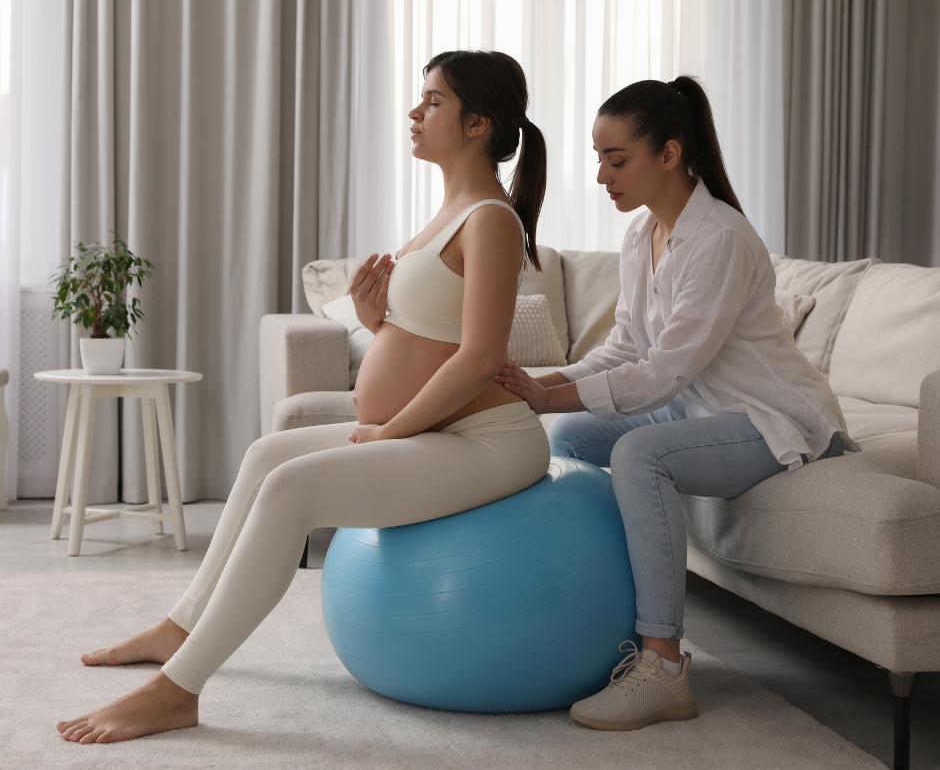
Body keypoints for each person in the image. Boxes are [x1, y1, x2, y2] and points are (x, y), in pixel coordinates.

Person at [57, 50, 550, 744]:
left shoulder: (492, 219)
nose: (415, 112)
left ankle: (179, 689)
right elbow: (430, 336)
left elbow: (481, 356)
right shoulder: (448, 212)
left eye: (433, 101)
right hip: (433, 434)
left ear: (478, 123)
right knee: (265, 456)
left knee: (291, 490)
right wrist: (377, 319)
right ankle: (180, 627)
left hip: (488, 443)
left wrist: (393, 429)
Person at [495, 76, 856, 732]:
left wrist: (550, 391)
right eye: (598, 158)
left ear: (668, 153)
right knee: (573, 434)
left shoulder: (720, 239)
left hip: (771, 418)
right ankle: (601, 616)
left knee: (639, 454)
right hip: (700, 409)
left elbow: (663, 372)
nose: (601, 175)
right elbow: (625, 347)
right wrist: (546, 385)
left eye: (616, 158)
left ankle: (662, 665)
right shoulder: (642, 237)